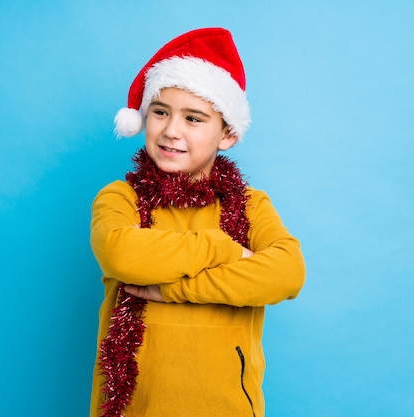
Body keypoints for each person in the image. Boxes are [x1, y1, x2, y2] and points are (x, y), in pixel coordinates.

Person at [89, 27, 305, 417]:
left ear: (228, 135)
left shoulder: (250, 206)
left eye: (194, 118)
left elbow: (287, 272)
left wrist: (169, 289)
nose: (172, 130)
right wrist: (224, 248)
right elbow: (122, 254)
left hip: (226, 406)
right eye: (160, 112)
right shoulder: (121, 198)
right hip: (137, 407)